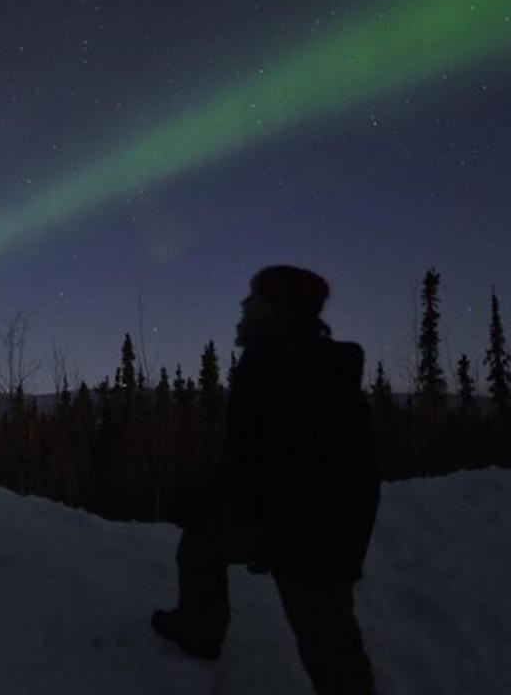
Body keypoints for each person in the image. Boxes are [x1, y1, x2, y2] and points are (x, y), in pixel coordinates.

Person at [153, 265, 380, 694]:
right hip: (288, 521)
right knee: (201, 545)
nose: (243, 305)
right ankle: (198, 633)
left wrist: (333, 543)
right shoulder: (276, 361)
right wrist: (204, 499)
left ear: (277, 308)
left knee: (327, 642)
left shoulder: (300, 370)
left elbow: (297, 465)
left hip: (312, 532)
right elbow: (251, 459)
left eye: (253, 298)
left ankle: (201, 634)